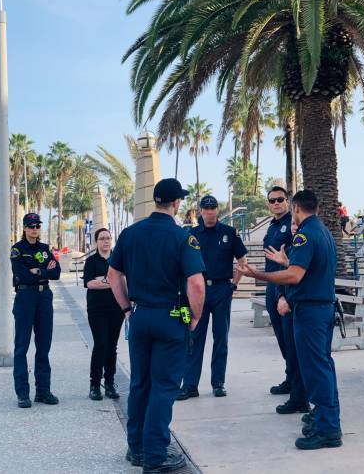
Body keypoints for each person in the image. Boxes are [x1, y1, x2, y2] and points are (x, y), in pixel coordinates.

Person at [108, 178, 206, 473]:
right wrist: (195, 317)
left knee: (140, 383)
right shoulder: (182, 237)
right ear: (176, 203)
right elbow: (196, 284)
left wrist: (127, 308)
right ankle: (155, 454)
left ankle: (136, 447)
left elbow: (113, 276)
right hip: (173, 316)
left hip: (139, 316)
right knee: (164, 386)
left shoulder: (130, 234)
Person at [241, 190, 342, 450]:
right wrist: (286, 260)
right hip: (321, 308)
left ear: (295, 207)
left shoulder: (305, 234)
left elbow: (295, 276)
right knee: (323, 366)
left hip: (310, 312)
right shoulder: (322, 231)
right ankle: (325, 419)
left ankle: (327, 429)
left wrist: (258, 274)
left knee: (316, 369)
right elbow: (309, 268)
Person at [177, 195, 247, 401]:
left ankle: (218, 383)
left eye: (213, 208)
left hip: (221, 290)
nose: (209, 211)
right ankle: (190, 385)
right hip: (199, 292)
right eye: (206, 208)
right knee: (194, 338)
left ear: (217, 210)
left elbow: (242, 260)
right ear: (200, 211)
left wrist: (234, 284)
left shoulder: (229, 233)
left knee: (221, 337)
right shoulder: (191, 234)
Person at [11, 212, 62, 409]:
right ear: (24, 228)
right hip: (25, 297)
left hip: (44, 298)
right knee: (21, 347)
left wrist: (39, 270)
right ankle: (22, 393)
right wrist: (40, 271)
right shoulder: (17, 250)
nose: (34, 229)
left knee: (43, 346)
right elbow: (21, 275)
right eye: (31, 226)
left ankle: (43, 390)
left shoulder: (44, 249)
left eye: (37, 226)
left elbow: (56, 272)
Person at [262, 186, 301, 401]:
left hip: (285, 287)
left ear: (287, 202)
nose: (276, 203)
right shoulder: (272, 226)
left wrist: (283, 295)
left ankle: (298, 386)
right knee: (281, 336)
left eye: (280, 199)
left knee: (289, 337)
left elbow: (292, 262)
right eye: (272, 200)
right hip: (272, 285)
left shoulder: (292, 225)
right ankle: (290, 378)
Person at [84, 228, 124, 401]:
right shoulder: (91, 261)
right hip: (97, 309)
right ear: (96, 242)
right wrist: (112, 282)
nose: (106, 241)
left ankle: (109, 383)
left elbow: (124, 280)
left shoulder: (119, 259)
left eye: (108, 238)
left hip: (117, 308)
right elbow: (90, 283)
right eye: (102, 238)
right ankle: (94, 385)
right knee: (101, 343)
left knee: (112, 346)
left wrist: (104, 280)